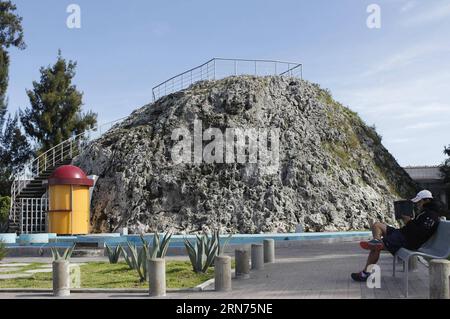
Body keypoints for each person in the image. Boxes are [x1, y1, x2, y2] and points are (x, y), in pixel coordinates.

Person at [351, 190, 441, 282]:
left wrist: (409, 222)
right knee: (377, 225)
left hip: (407, 241)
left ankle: (365, 273)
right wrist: (409, 222)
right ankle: (377, 241)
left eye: (419, 202)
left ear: (427, 200)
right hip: (402, 234)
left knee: (376, 248)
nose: (417, 204)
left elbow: (419, 234)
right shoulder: (425, 212)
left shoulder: (431, 215)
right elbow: (415, 228)